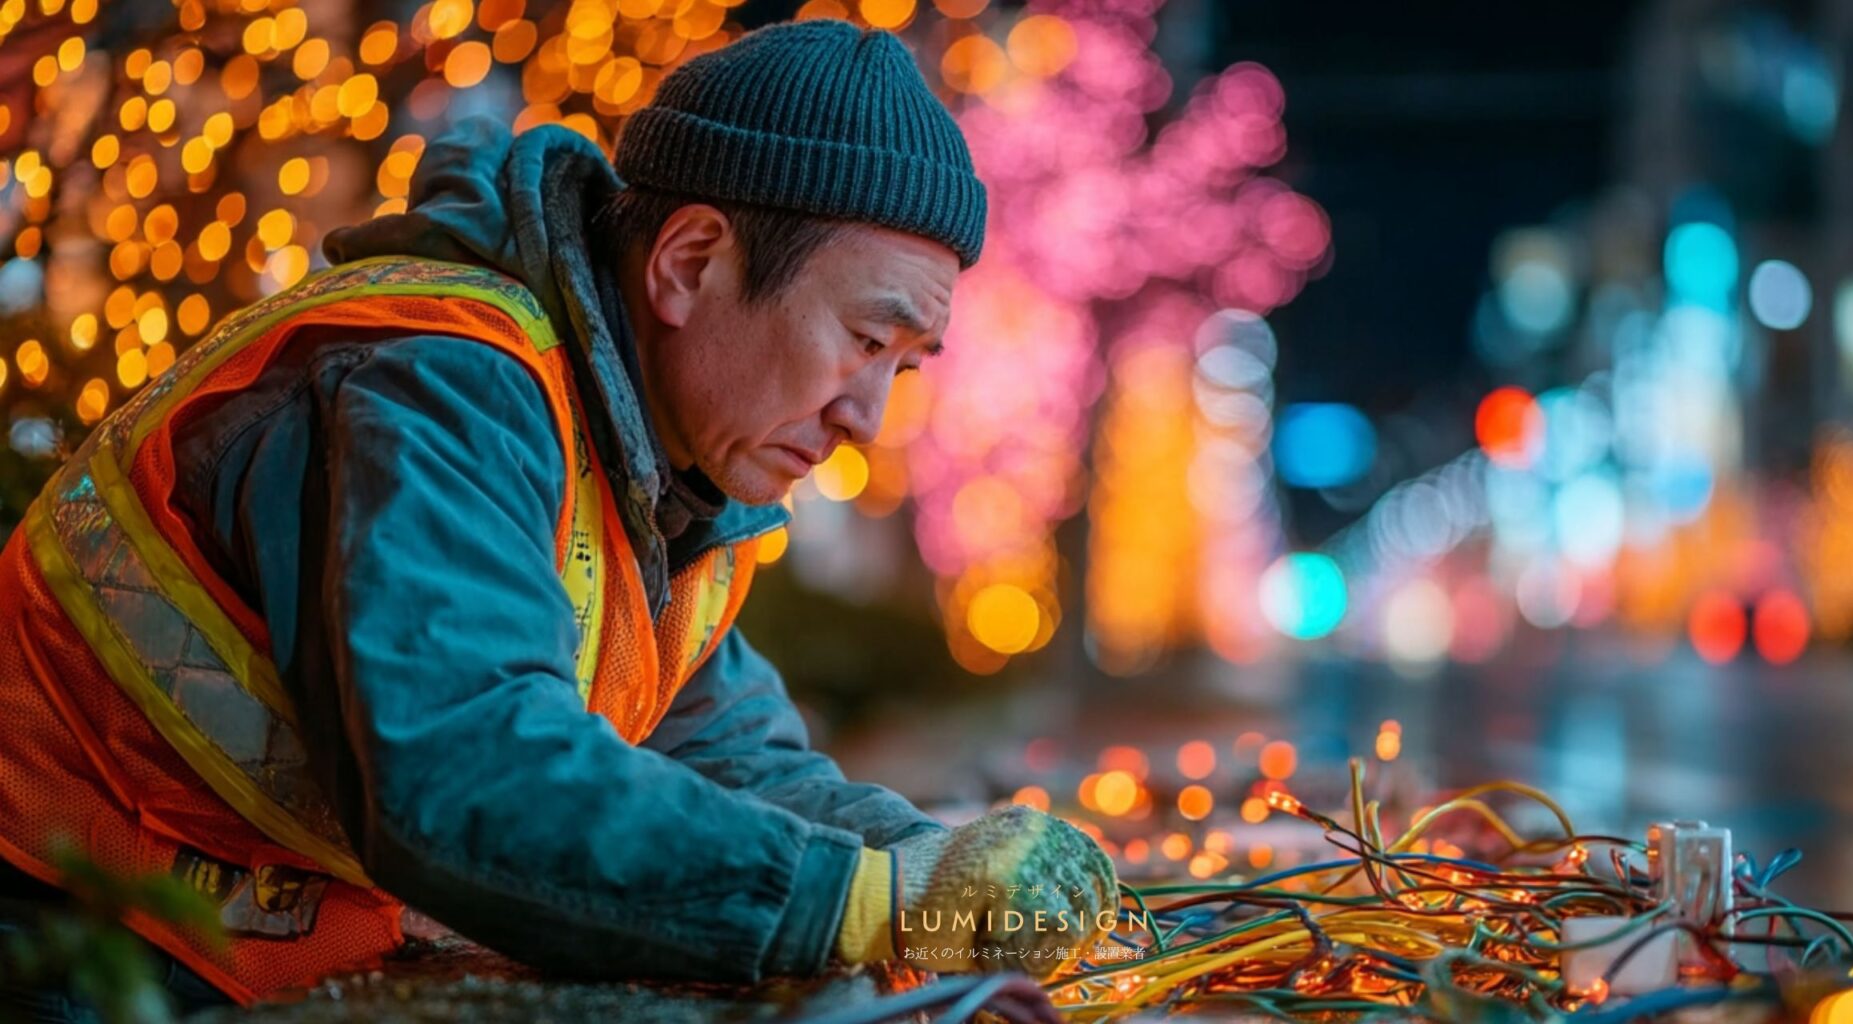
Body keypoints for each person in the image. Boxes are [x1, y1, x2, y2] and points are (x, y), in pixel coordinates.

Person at [0, 19, 1117, 1017]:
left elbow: (724, 759)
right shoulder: (447, 389)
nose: (867, 416)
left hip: (216, 947)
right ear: (689, 262)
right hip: (68, 938)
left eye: (903, 366)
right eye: (865, 341)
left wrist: (939, 864)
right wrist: (866, 902)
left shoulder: (664, 474)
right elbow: (466, 772)